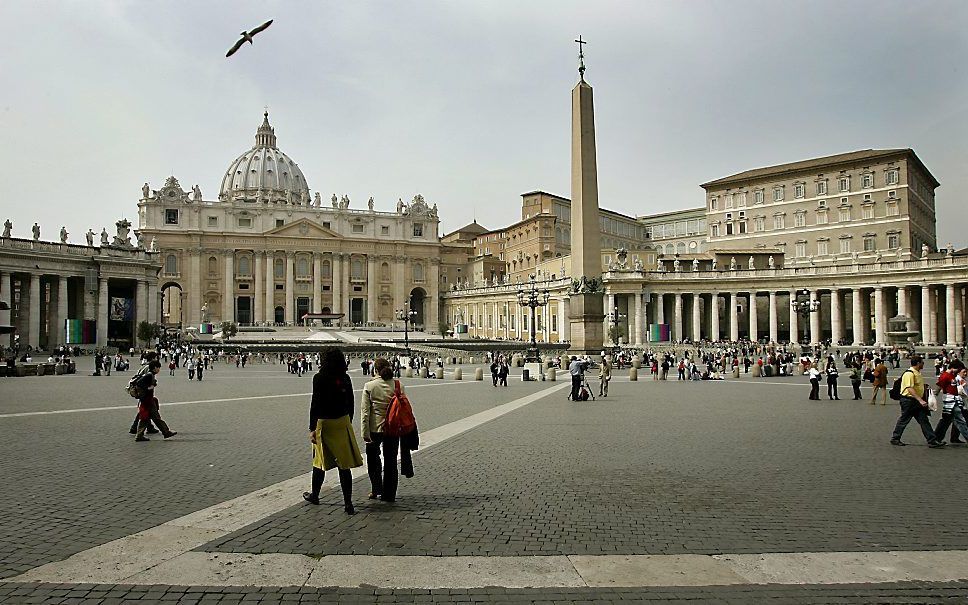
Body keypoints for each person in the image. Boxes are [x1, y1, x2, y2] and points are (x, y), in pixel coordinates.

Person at [304, 347, 362, 514]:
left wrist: (312, 428)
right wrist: (347, 421)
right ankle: (348, 503)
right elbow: (351, 401)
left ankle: (315, 495)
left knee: (319, 462)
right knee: (344, 465)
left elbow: (315, 404)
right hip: (342, 422)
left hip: (325, 424)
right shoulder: (345, 377)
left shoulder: (319, 378)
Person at [362, 358, 405, 502]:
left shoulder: (369, 386)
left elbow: (365, 412)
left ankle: (376, 489)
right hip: (393, 428)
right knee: (391, 461)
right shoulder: (398, 385)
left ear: (375, 369)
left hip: (375, 428)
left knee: (373, 459)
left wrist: (364, 432)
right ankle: (390, 494)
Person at [891, 355, 945, 448]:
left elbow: (915, 386)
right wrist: (920, 400)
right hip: (909, 401)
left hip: (915, 401)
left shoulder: (917, 373)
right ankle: (895, 438)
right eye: (922, 362)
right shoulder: (909, 374)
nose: (923, 364)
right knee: (904, 420)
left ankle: (932, 440)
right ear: (918, 363)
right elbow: (909, 388)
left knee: (924, 420)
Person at [134, 360, 177, 442]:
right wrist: (148, 388)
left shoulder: (151, 375)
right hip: (148, 400)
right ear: (154, 368)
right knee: (155, 417)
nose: (159, 369)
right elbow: (139, 383)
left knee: (146, 418)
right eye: (158, 367)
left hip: (147, 399)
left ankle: (139, 435)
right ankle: (166, 432)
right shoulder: (149, 375)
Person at [933, 361, 968, 445]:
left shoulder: (951, 375)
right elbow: (939, 386)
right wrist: (934, 396)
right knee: (960, 421)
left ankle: (936, 438)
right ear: (953, 367)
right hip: (951, 401)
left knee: (945, 420)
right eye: (958, 369)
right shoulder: (945, 376)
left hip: (953, 401)